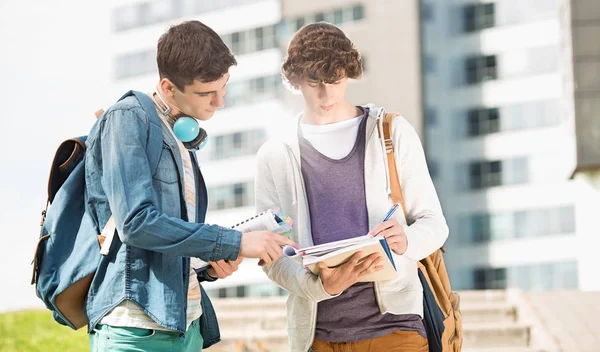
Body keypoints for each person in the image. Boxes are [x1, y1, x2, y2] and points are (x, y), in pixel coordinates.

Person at [84, 20, 295, 352]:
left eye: (223, 88)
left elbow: (171, 239)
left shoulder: (181, 136)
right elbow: (136, 224)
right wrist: (234, 241)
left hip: (187, 327)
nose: (219, 102)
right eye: (207, 93)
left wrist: (211, 264)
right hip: (138, 332)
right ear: (168, 88)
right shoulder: (127, 119)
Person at [255, 22, 449, 352]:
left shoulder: (391, 133)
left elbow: (434, 224)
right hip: (317, 339)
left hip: (395, 330)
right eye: (315, 81)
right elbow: (273, 253)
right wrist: (320, 287)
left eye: (336, 79)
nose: (326, 93)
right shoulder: (275, 155)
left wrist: (406, 240)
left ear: (349, 72)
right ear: (297, 79)